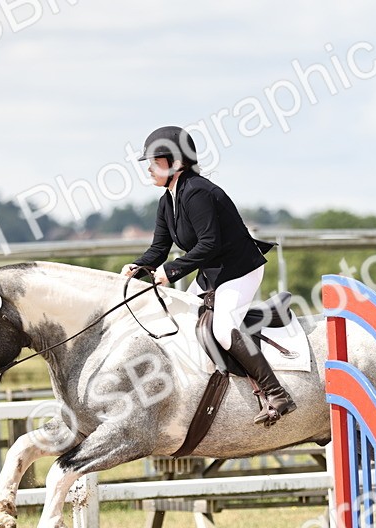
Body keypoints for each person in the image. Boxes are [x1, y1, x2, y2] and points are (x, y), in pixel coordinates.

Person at [120, 125, 296, 425]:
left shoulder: (198, 192)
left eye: (155, 161)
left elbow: (209, 243)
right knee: (184, 321)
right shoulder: (167, 200)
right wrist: (136, 268)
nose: (149, 168)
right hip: (212, 273)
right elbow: (159, 248)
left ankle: (277, 394)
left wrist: (172, 271)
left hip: (239, 270)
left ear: (176, 163)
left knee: (224, 329)